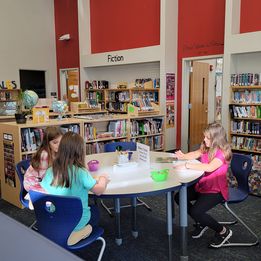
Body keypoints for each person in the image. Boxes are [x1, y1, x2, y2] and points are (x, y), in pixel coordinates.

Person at [41, 131, 110, 246]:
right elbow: (99, 191)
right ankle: (75, 233)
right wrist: (103, 178)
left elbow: (42, 191)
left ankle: (63, 232)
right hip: (76, 220)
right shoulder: (81, 172)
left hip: (55, 218)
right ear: (80, 152)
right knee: (95, 212)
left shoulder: (50, 170)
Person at [173, 122, 232, 248]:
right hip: (203, 185)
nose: (204, 139)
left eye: (207, 137)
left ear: (216, 140)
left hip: (216, 191)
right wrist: (183, 156)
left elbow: (210, 167)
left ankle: (223, 231)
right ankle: (202, 223)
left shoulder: (222, 153)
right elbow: (195, 154)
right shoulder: (206, 147)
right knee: (179, 197)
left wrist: (188, 165)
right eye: (204, 136)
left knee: (196, 211)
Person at [23, 126, 63, 208]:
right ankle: (32, 196)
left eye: (61, 142)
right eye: (55, 143)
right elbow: (44, 178)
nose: (59, 145)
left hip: (45, 179)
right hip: (34, 182)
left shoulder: (57, 151)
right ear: (47, 143)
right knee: (56, 193)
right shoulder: (45, 155)